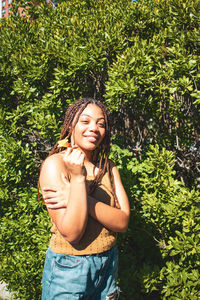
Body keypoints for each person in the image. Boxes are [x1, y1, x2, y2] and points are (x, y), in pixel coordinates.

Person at [39, 98, 130, 300]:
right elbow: (73, 233)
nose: (94, 128)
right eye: (85, 121)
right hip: (69, 269)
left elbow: (122, 222)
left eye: (101, 123)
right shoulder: (56, 164)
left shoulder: (109, 166)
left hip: (108, 264)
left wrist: (80, 199)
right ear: (71, 126)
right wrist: (78, 178)